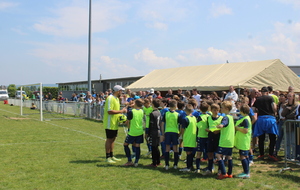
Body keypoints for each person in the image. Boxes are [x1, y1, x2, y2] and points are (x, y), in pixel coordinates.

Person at [103, 85, 127, 164]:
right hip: (110, 123)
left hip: (114, 123)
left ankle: (112, 155)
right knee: (109, 139)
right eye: (121, 91)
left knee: (113, 139)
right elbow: (109, 111)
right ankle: (107, 157)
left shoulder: (117, 99)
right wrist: (121, 111)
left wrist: (121, 117)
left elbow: (116, 110)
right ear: (117, 91)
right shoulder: (110, 98)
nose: (122, 92)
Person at [252, 87, 278, 161]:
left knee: (261, 138)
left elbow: (253, 109)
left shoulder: (258, 99)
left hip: (261, 119)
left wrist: (257, 111)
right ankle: (271, 154)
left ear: (261, 92)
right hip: (270, 118)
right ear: (267, 92)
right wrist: (274, 112)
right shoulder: (270, 98)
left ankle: (261, 154)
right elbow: (274, 107)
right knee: (272, 137)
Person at [215, 101, 235, 180]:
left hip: (224, 140)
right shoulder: (231, 117)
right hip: (230, 140)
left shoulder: (225, 117)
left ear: (226, 109)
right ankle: (230, 173)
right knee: (229, 156)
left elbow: (225, 123)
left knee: (218, 155)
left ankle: (223, 173)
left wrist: (221, 125)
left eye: (222, 107)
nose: (221, 109)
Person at [202, 103, 223, 176]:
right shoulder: (209, 118)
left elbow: (223, 128)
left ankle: (220, 170)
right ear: (211, 110)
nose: (216, 111)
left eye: (217, 110)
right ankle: (210, 169)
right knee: (210, 153)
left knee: (219, 154)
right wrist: (209, 130)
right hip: (210, 137)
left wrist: (219, 130)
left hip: (218, 137)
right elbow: (207, 127)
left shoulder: (221, 118)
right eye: (214, 110)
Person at [123, 99, 144, 167]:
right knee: (137, 146)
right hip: (140, 131)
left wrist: (123, 121)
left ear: (135, 104)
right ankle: (136, 162)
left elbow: (127, 122)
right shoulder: (142, 111)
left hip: (132, 132)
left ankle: (129, 160)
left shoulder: (131, 112)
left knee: (125, 145)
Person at [161, 100, 180, 170]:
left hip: (167, 132)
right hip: (175, 132)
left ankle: (166, 165)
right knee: (175, 149)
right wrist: (180, 133)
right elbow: (180, 125)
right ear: (175, 106)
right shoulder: (177, 114)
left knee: (167, 148)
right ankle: (175, 165)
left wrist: (163, 133)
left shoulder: (166, 114)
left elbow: (162, 124)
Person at [235, 104, 252, 179]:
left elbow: (245, 130)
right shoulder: (245, 118)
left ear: (242, 111)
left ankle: (246, 172)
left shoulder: (245, 119)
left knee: (243, 156)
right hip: (243, 140)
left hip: (244, 140)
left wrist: (237, 128)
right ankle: (246, 171)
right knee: (245, 156)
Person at [179, 104, 197, 172]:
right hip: (193, 137)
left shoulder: (185, 119)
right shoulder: (194, 118)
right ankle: (191, 166)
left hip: (187, 137)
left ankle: (188, 167)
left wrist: (181, 135)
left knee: (188, 153)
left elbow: (183, 129)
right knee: (192, 152)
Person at [195, 102, 210, 173]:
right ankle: (210, 167)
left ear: (200, 109)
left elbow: (199, 126)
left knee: (199, 153)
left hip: (201, 136)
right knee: (209, 153)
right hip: (208, 136)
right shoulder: (209, 116)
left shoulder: (200, 117)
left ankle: (197, 168)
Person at [147, 99, 162, 167]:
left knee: (153, 147)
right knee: (156, 147)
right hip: (158, 131)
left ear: (153, 105)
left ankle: (154, 162)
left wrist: (148, 133)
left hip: (154, 131)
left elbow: (151, 124)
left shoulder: (152, 113)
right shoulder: (159, 112)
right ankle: (158, 161)